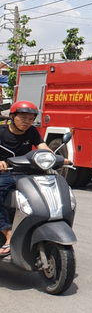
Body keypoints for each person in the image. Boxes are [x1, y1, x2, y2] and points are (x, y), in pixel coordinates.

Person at [0, 101, 52, 256]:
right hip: (5, 174)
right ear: (12, 116)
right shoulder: (1, 131)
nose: (26, 122)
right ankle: (7, 233)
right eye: (22, 117)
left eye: (30, 119)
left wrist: (56, 158)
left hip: (25, 174)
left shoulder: (32, 132)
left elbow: (43, 147)